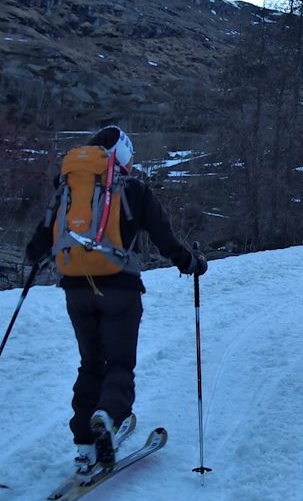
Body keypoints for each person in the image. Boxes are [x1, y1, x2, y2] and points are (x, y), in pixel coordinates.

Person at [25, 125, 206, 480]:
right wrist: (191, 263)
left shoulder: (67, 189)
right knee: (119, 363)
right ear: (123, 157)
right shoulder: (134, 189)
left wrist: (37, 257)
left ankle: (83, 443)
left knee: (90, 363)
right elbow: (163, 236)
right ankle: (107, 417)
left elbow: (40, 240)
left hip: (75, 289)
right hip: (120, 290)